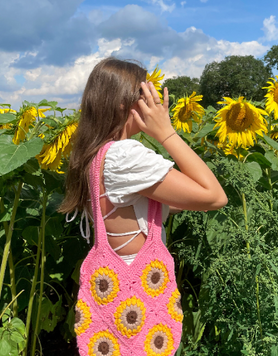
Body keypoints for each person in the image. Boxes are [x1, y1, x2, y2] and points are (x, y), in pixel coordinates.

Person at [60, 57, 227, 355]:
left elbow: (162, 204)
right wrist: (166, 134)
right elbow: (214, 196)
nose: (156, 104)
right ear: (124, 104)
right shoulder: (125, 156)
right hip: (139, 295)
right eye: (146, 95)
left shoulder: (97, 154)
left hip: (116, 296)